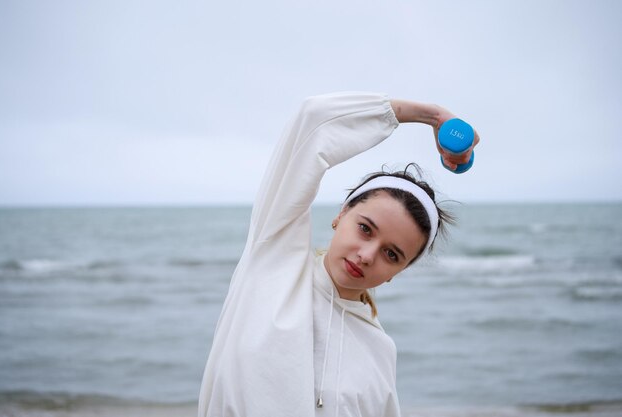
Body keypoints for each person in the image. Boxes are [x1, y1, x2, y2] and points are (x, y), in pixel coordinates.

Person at [198, 92, 479, 417]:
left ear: (397, 273)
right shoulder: (274, 262)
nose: (367, 255)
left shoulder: (379, 352)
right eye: (365, 229)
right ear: (341, 215)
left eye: (391, 254)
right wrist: (431, 116)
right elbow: (314, 120)